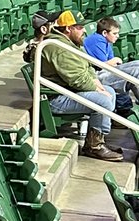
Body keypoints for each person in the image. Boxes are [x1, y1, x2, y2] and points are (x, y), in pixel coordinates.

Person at [42, 10, 121, 161]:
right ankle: (94, 146)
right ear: (68, 28)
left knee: (109, 91)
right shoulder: (59, 48)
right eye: (79, 27)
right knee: (103, 100)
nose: (84, 30)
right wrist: (98, 90)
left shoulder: (69, 42)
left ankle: (98, 139)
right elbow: (77, 79)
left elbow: (86, 68)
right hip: (56, 99)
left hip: (67, 91)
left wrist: (100, 86)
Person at [84, 16, 139, 99]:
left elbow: (113, 63)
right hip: (97, 76)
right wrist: (114, 60)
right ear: (105, 33)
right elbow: (102, 66)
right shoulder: (97, 40)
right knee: (136, 71)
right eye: (114, 33)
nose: (117, 36)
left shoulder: (106, 41)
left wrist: (114, 61)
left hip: (106, 71)